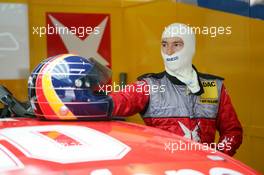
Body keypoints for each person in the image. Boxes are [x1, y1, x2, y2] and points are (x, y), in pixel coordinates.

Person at [109, 23, 243, 156]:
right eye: (164, 44)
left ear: (190, 47)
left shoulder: (211, 86)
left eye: (176, 45)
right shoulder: (150, 86)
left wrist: (217, 156)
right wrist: (93, 99)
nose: (169, 51)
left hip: (203, 169)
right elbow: (115, 102)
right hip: (164, 168)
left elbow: (232, 132)